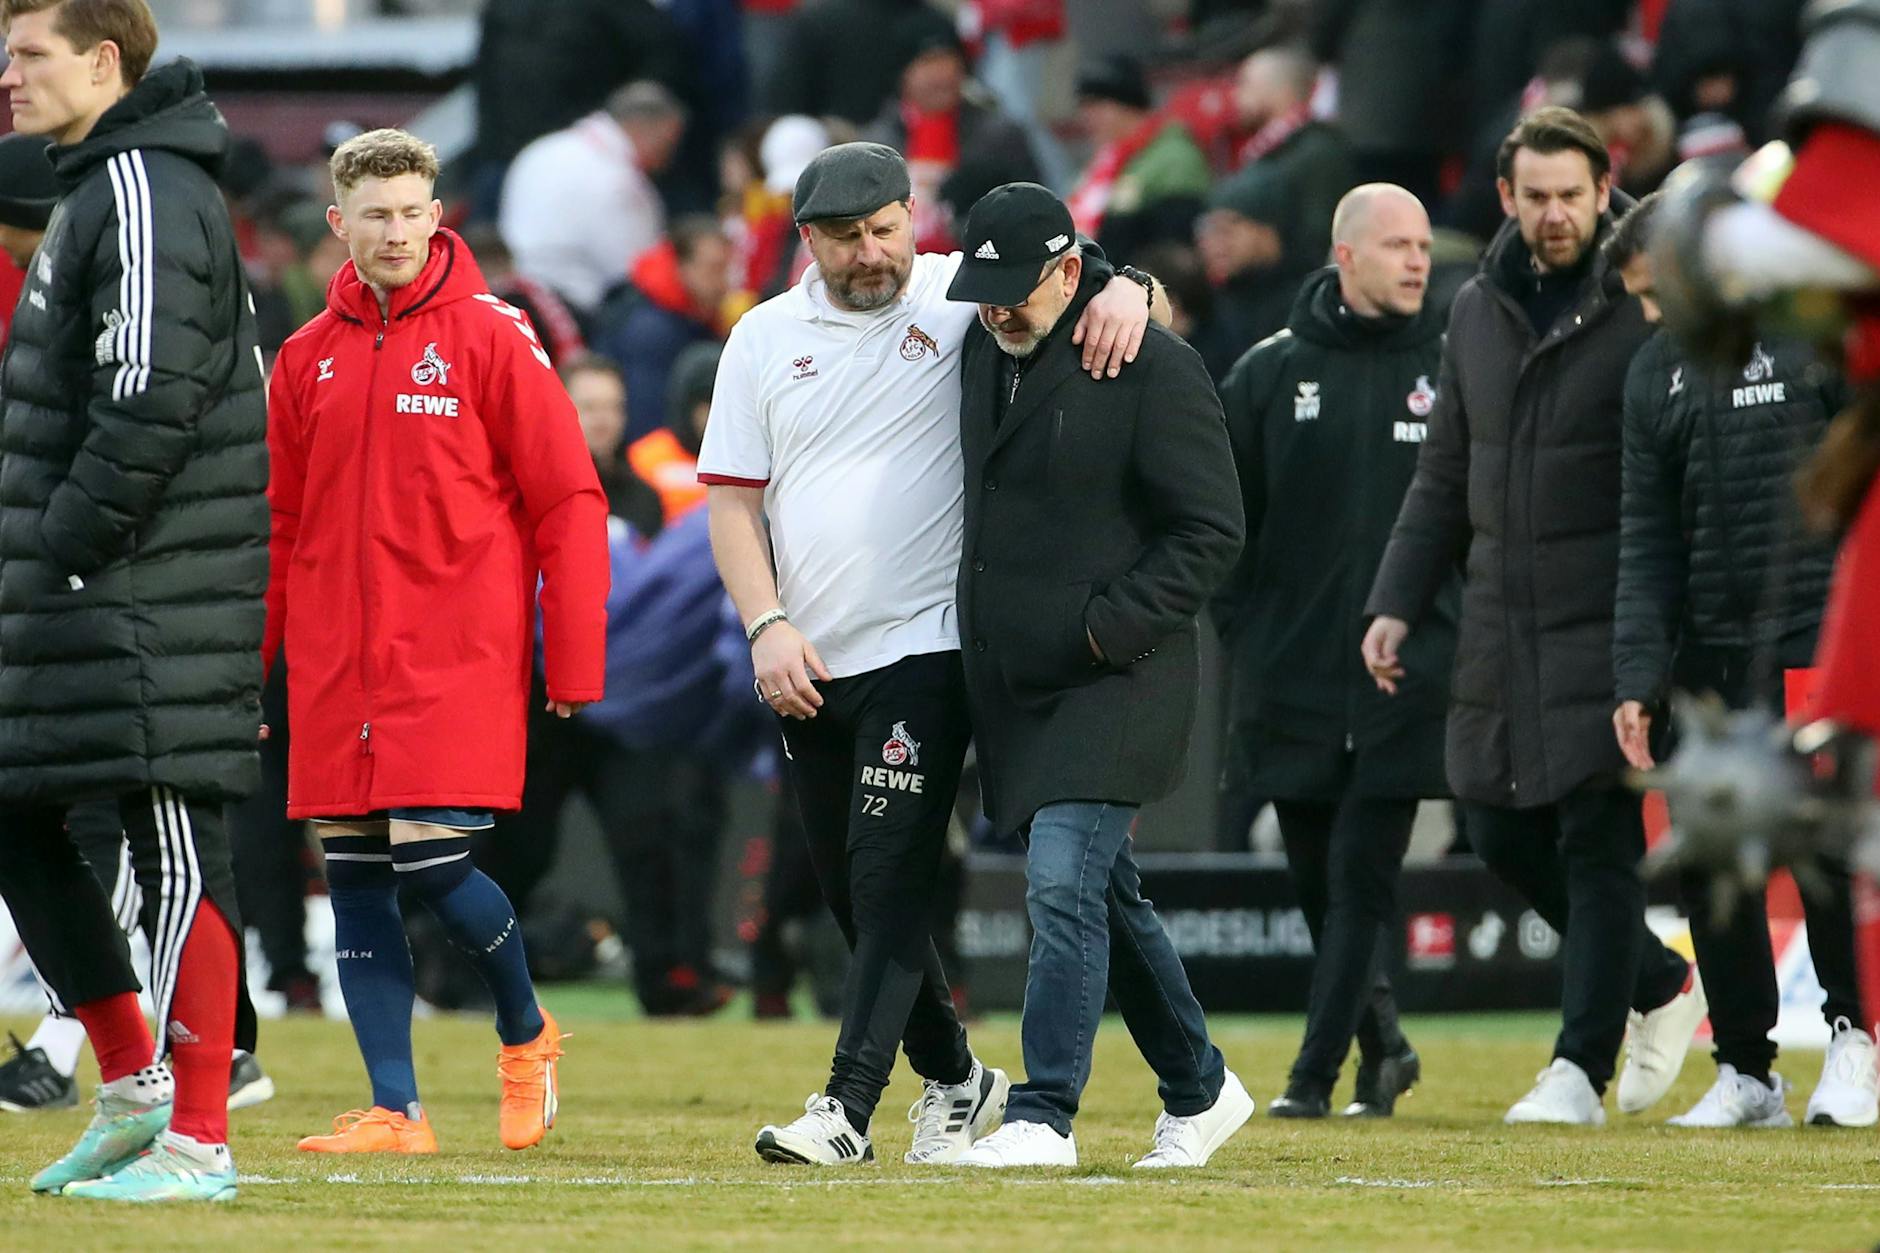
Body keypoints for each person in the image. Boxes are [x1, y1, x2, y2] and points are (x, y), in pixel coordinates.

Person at [699, 141, 1156, 1166]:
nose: (871, 254)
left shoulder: (963, 293)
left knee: (891, 877)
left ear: (913, 217)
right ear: (804, 239)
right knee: (850, 894)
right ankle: (955, 1076)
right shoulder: (761, 338)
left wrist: (1129, 284)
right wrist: (765, 624)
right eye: (845, 238)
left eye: (884, 229)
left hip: (930, 640)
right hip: (808, 654)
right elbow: (731, 504)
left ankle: (846, 1107)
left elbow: (1070, 264)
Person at [267, 129, 609, 1156]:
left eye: (413, 211)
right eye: (376, 214)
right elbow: (280, 524)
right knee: (354, 872)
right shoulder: (303, 357)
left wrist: (573, 653)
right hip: (336, 657)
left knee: (431, 858)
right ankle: (396, 1110)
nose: (397, 232)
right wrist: (254, 666)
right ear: (340, 223)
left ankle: (525, 1031)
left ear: (437, 214)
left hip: (453, 648)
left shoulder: (493, 336)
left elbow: (569, 499)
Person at [1362, 107, 1705, 1126]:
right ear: (1506, 196)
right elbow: (1442, 470)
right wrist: (1394, 599)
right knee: (1494, 825)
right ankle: (1656, 978)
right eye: (1536, 196)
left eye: (1572, 195)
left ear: (1604, 191)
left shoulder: (1643, 298)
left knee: (1598, 836)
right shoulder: (1475, 306)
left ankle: (1575, 1067)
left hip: (1611, 611)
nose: (1555, 214)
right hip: (1498, 619)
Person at [0, 0, 268, 1202]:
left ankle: (199, 1137)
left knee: (172, 843)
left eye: (30, 53)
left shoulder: (147, 185)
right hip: (84, 587)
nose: (9, 76)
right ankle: (129, 1081)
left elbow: (149, 393)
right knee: (16, 814)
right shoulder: (95, 187)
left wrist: (64, 547)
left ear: (104, 61)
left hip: (149, 587)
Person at [940, 183, 1252, 1169]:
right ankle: (1200, 1086)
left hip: (1118, 676)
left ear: (1068, 271)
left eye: (1015, 292)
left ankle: (1042, 1115)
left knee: (1059, 883)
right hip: (1016, 684)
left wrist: (1098, 630)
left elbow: (1212, 531)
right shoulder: (981, 343)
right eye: (982, 291)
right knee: (1101, 893)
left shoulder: (1154, 363)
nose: (996, 310)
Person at [1609, 202, 1875, 1127]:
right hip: (1706, 650)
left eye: (1656, 292)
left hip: (1817, 633)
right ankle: (1747, 1069)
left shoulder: (1812, 332)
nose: (1651, 314)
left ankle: (1857, 1036)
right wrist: (1637, 673)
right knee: (1712, 847)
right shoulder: (1654, 371)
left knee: (1824, 842)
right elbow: (1646, 537)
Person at [1215, 184, 1452, 1121]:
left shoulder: (1454, 370)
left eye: (1424, 245)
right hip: (1292, 672)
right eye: (1398, 245)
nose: (1418, 260)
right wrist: (1247, 629)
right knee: (1317, 880)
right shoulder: (1270, 373)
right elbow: (1221, 524)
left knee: (1360, 877)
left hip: (1407, 673)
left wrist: (1447, 629)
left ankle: (1314, 1076)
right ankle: (1385, 1044)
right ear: (1345, 255)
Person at [499, 81, 688, 317]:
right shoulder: (618, 179)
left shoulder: (543, 148)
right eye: (669, 140)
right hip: (577, 309)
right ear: (645, 127)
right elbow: (634, 271)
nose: (669, 156)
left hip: (516, 296)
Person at [592, 215, 732, 444]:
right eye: (714, 269)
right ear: (682, 267)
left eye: (727, 268)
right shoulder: (651, 331)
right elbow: (646, 421)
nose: (725, 282)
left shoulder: (693, 317)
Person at [1066, 54, 1212, 262]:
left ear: (1128, 104)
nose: (1088, 118)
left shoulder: (1175, 158)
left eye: (1098, 106)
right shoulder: (1106, 161)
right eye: (1085, 108)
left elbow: (1175, 249)